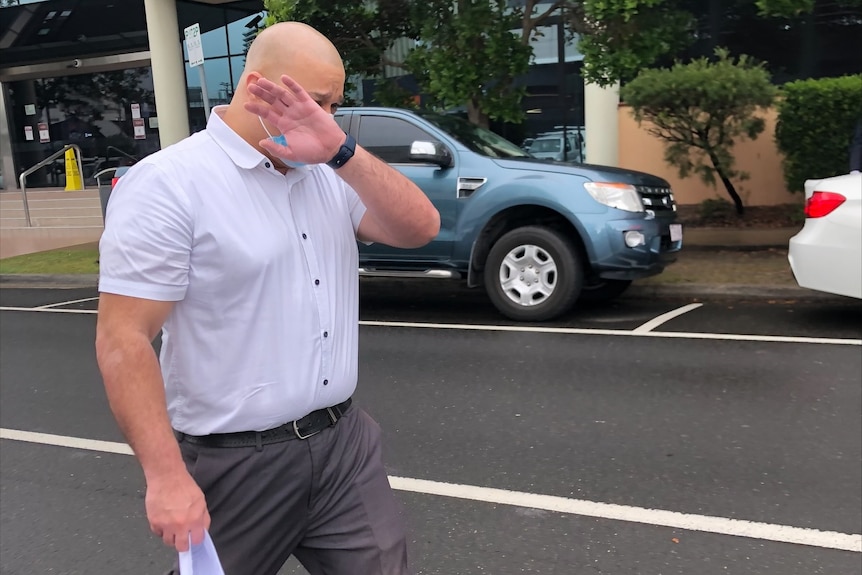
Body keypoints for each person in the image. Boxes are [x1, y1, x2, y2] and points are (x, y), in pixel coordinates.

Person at [94, 21, 440, 575]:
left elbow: (419, 228)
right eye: (314, 100)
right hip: (236, 461)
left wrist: (342, 152)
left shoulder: (328, 171)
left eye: (333, 103)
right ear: (257, 86)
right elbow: (123, 337)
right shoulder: (169, 184)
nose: (326, 116)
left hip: (342, 445)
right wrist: (165, 478)